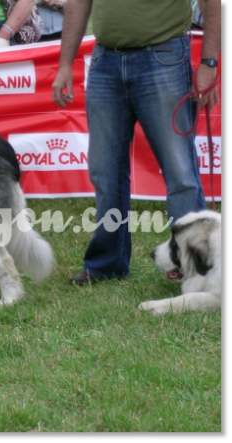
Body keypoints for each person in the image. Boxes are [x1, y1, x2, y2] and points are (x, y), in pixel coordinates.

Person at [51, 0, 220, 286]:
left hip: (163, 56)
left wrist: (209, 62)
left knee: (180, 173)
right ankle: (107, 265)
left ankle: (197, 267)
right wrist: (64, 63)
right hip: (106, 60)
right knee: (105, 173)